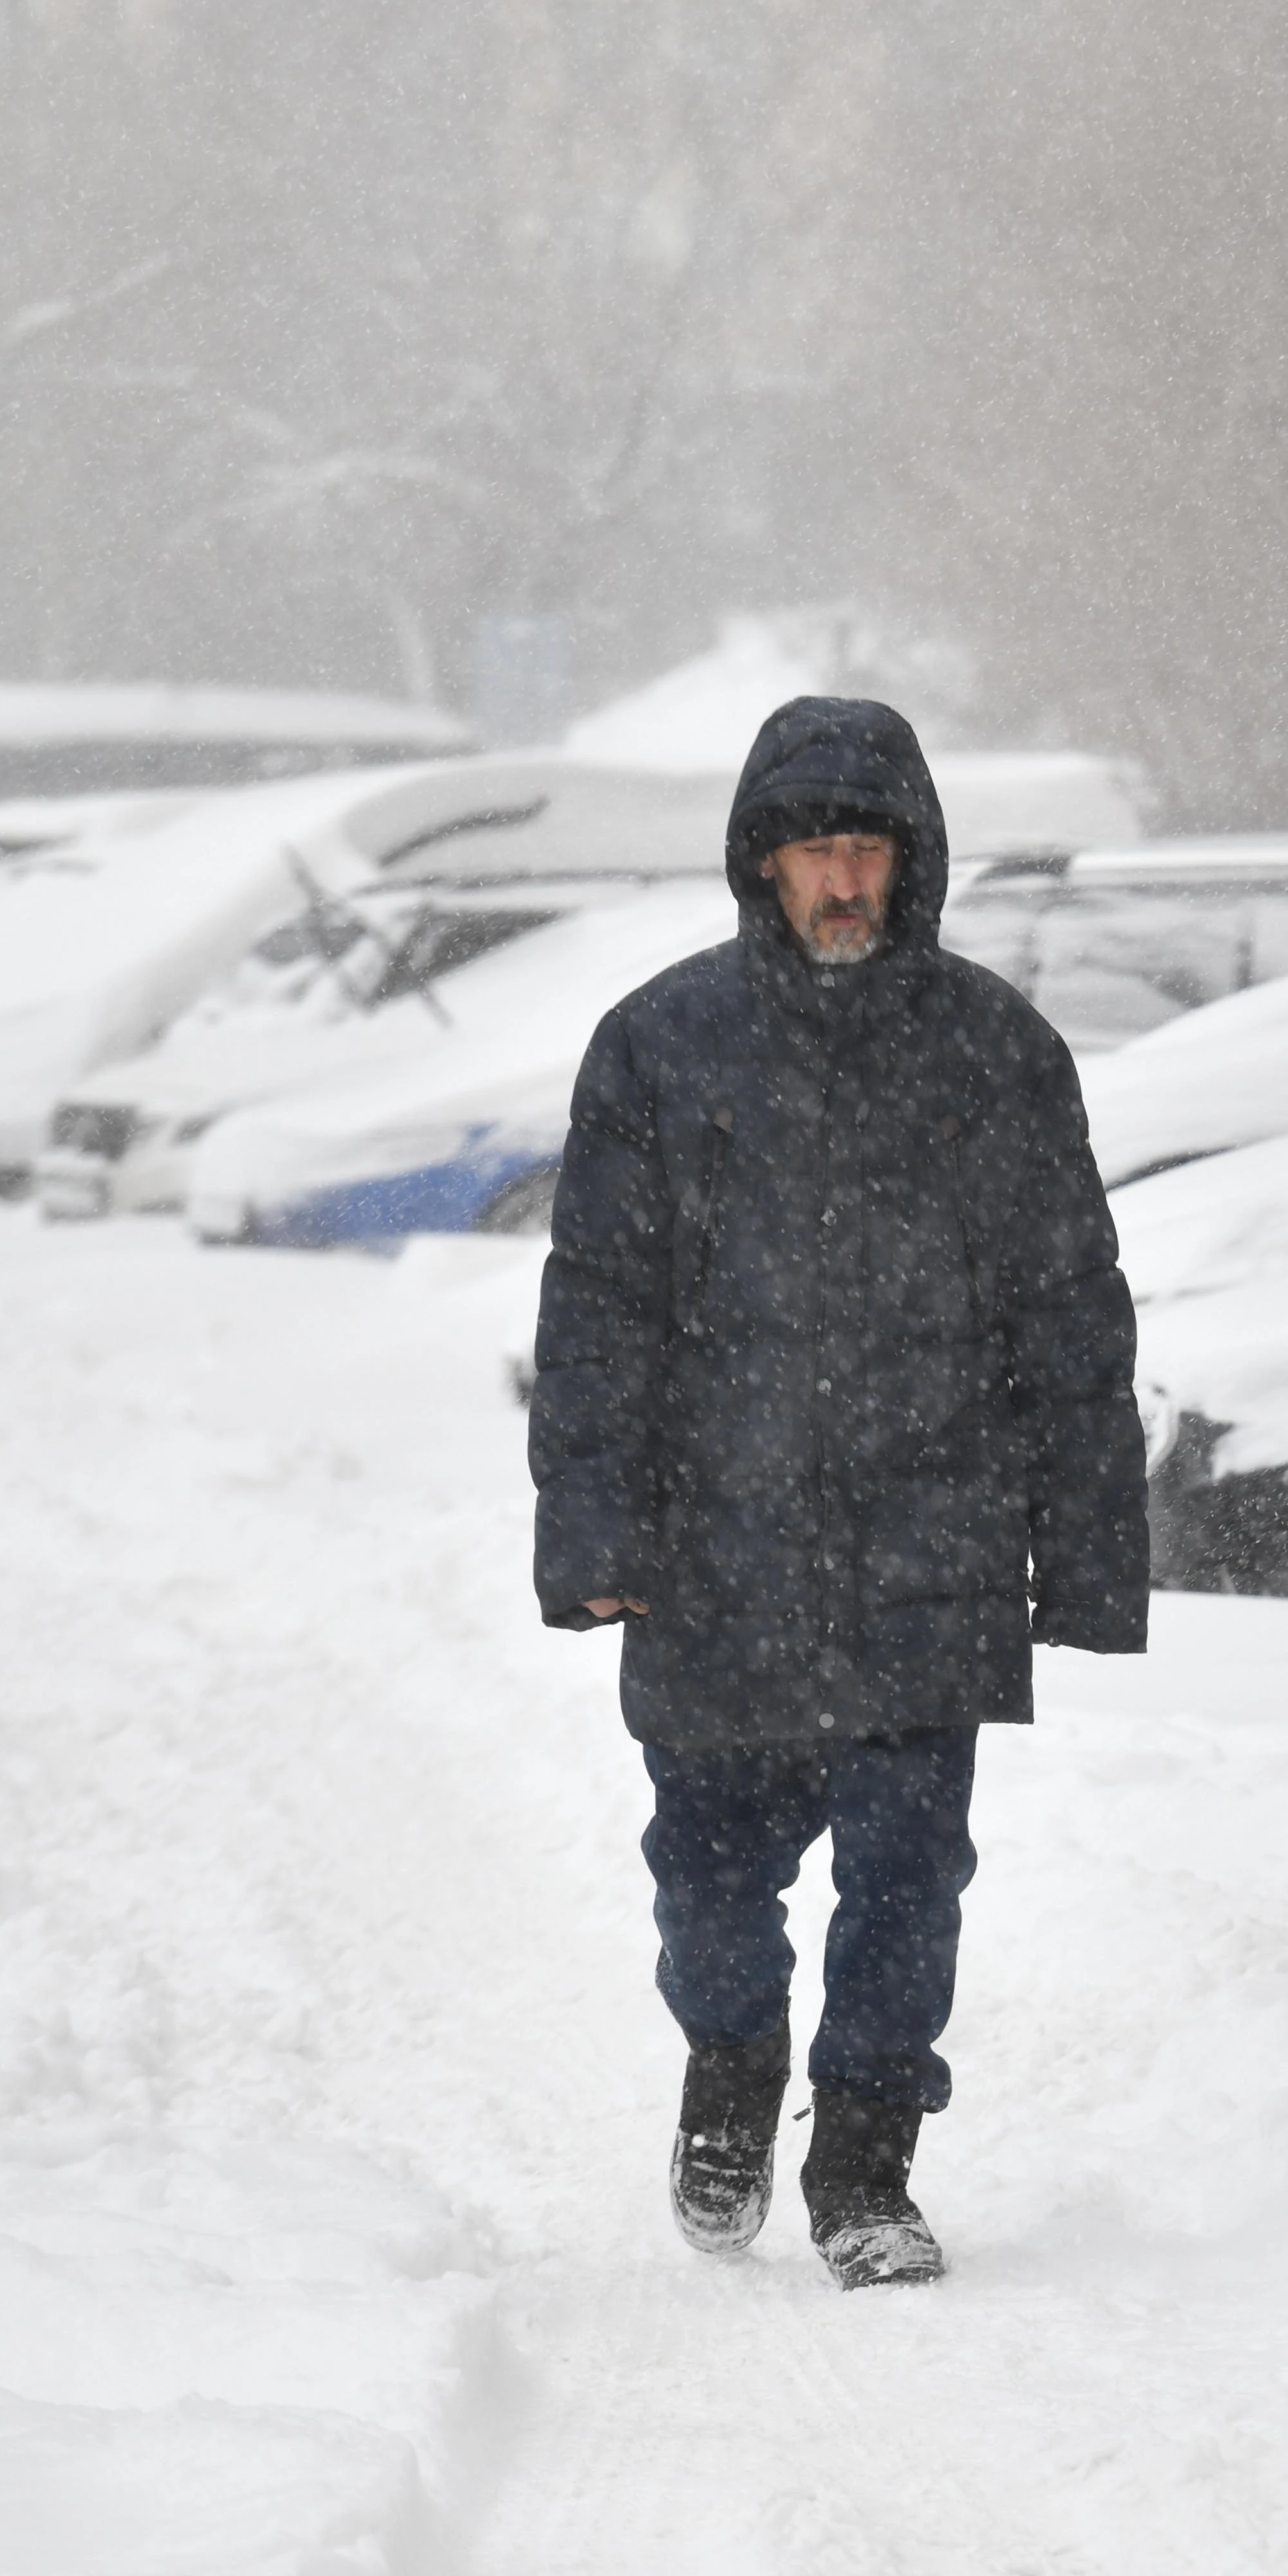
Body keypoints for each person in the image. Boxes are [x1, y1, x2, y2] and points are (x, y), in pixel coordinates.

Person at [528, 696, 1147, 2288]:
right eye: (817, 847)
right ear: (762, 862)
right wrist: (597, 1533)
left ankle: (866, 2167)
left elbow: (1071, 1317)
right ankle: (729, 2082)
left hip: (926, 1555)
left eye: (868, 844)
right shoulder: (659, 1049)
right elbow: (598, 1310)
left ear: (914, 858)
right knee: (712, 1881)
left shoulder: (996, 1054)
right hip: (711, 1552)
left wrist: (1082, 1558)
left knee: (907, 1880)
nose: (845, 877)